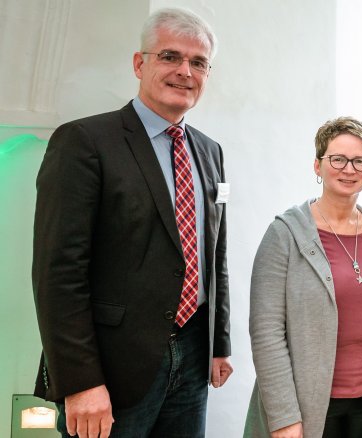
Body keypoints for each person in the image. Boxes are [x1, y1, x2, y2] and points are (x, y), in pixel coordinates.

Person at [31, 8, 232, 438]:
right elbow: (57, 274)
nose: (185, 71)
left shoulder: (209, 152)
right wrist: (80, 381)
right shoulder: (84, 142)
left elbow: (214, 255)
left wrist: (220, 344)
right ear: (140, 64)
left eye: (198, 62)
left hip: (193, 357)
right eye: (170, 57)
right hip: (112, 366)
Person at [245, 116, 362, 438]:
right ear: (317, 165)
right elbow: (266, 331)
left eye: (359, 161)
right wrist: (283, 416)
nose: (348, 169)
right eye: (337, 159)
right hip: (307, 406)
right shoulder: (284, 234)